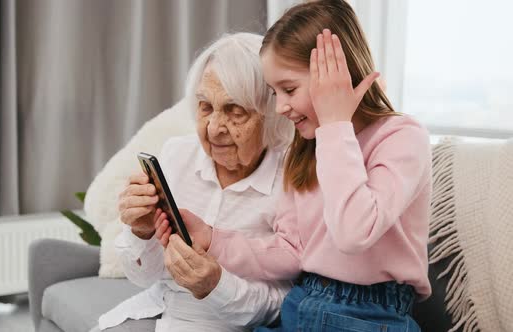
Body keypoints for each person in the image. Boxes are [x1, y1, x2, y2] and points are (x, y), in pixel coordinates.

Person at [155, 1, 432, 331]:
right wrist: (213, 238)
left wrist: (334, 123)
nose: (281, 107)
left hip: (371, 315)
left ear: (335, 78)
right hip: (301, 304)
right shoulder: (308, 149)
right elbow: (289, 253)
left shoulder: (401, 137)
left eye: (289, 89)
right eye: (274, 93)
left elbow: (354, 232)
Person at [93, 32, 295, 332]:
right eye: (205, 107)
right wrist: (141, 231)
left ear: (271, 113)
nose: (214, 129)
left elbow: (282, 305)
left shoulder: (291, 181)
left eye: (234, 111)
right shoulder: (178, 153)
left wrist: (216, 285)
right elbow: (143, 276)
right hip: (156, 309)